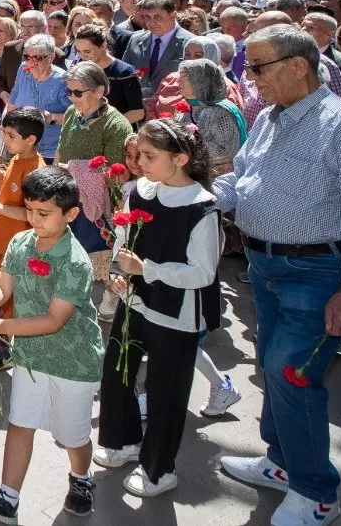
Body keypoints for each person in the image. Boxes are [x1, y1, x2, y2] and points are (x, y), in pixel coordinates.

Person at [215, 25, 341, 526]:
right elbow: (244, 177)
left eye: (258, 68)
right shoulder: (272, 116)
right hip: (265, 268)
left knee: (290, 374)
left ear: (299, 66)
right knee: (273, 369)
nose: (249, 80)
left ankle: (317, 492)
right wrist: (197, 197)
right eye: (246, 68)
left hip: (319, 273)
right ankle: (279, 462)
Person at [0, 168, 105, 522]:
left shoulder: (75, 261)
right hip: (29, 356)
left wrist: (0, 325)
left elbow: (55, 320)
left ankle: (81, 478)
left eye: (44, 213)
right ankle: (7, 498)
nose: (34, 219)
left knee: (73, 435)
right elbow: (2, 285)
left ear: (70, 214)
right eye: (29, 210)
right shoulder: (21, 243)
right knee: (20, 422)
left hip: (73, 361)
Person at [93, 119, 222, 500]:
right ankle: (122, 439)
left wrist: (147, 269)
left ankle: (159, 469)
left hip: (175, 312)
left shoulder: (202, 207)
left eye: (150, 156)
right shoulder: (139, 191)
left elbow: (203, 272)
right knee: (118, 372)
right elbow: (123, 239)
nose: (139, 163)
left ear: (180, 159)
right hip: (135, 301)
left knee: (165, 391)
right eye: (137, 155)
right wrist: (119, 272)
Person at [57, 61, 134, 319]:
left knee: (101, 256)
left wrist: (76, 169)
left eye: (78, 92)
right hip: (68, 197)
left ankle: (112, 297)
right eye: (68, 91)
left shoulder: (117, 125)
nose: (71, 97)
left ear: (99, 91)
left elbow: (116, 173)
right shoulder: (71, 113)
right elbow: (62, 149)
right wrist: (59, 171)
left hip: (98, 206)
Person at [0, 108, 46, 280]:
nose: (5, 140)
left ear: (30, 139)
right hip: (0, 242)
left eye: (11, 136)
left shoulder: (36, 170)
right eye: (4, 134)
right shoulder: (16, 158)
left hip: (17, 250)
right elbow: (13, 192)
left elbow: (34, 214)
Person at [5, 34, 70, 158]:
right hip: (22, 148)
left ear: (51, 57)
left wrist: (51, 117)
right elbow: (13, 98)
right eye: (27, 57)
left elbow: (76, 116)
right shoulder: (23, 69)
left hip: (50, 152)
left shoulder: (63, 80)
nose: (30, 63)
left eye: (37, 58)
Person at [70, 25, 144, 125]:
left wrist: (105, 126)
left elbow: (138, 112)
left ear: (103, 45)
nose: (82, 56)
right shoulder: (78, 68)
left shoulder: (124, 72)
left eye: (87, 51)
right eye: (78, 51)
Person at [123, 0, 186, 101]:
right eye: (147, 17)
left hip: (171, 109)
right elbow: (124, 74)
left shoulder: (190, 43)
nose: (152, 22)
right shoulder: (135, 40)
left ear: (173, 16)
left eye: (157, 17)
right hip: (136, 108)